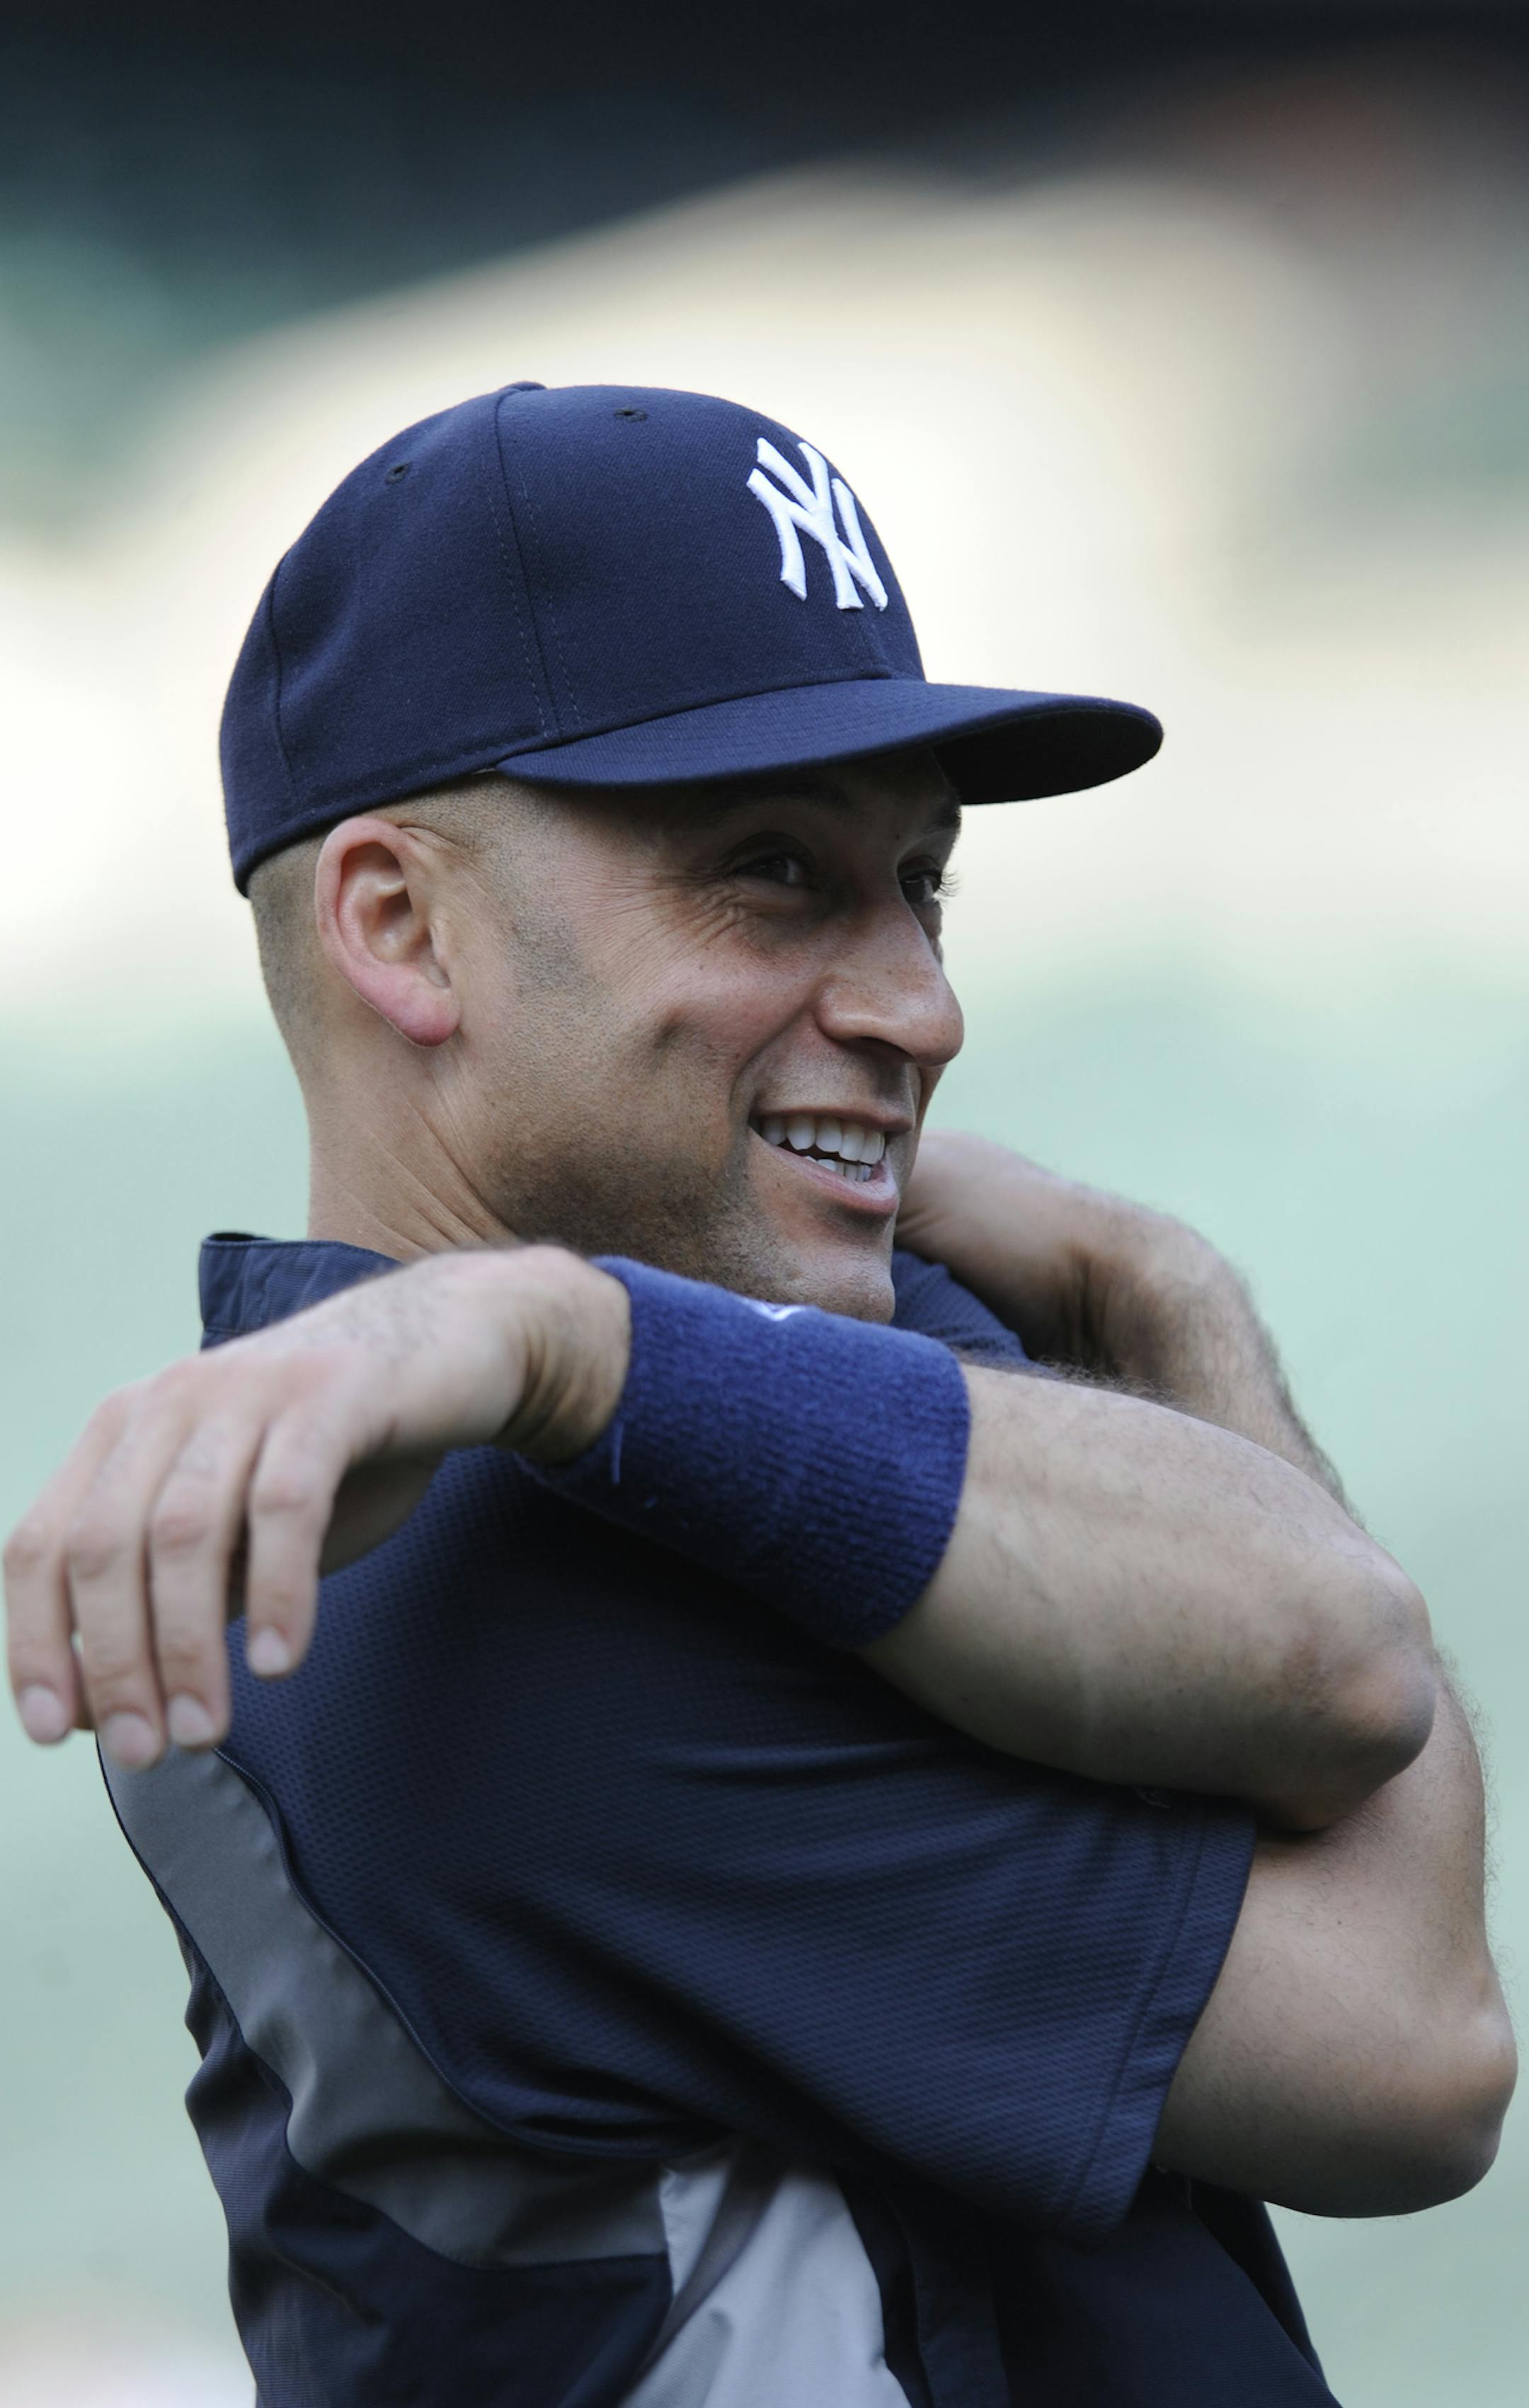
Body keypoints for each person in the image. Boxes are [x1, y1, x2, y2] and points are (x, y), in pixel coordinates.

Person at [4, 383, 1513, 2408]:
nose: (923, 1003)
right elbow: (1410, 2005)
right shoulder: (461, 1579)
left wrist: (1137, 1277)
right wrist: (1129, 1294)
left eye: (924, 884)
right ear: (399, 924)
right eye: (776, 875)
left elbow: (1311, 1637)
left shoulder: (762, 1353)